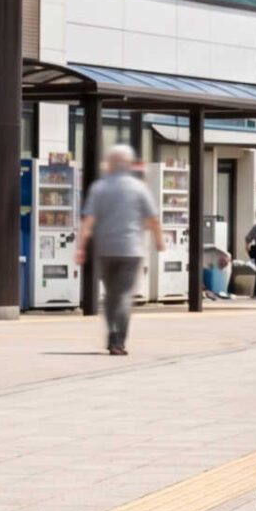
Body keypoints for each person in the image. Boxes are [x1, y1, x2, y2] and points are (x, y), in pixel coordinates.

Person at [79, 146, 161, 355]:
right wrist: (159, 241)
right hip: (131, 250)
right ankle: (118, 340)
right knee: (124, 294)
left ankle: (112, 332)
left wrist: (81, 247)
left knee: (111, 295)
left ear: (110, 163)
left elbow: (88, 220)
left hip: (105, 249)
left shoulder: (99, 188)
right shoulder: (138, 188)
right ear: (129, 164)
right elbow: (152, 218)